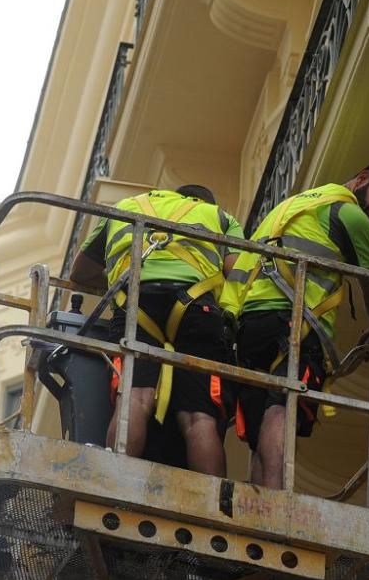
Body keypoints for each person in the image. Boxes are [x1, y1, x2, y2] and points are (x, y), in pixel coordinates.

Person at [221, 161, 369, 488]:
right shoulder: (349, 214)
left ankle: (256, 505)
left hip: (250, 323)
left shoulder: (293, 205)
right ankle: (277, 502)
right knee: (283, 408)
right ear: (362, 179)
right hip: (293, 327)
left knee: (259, 430)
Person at [71, 184, 242, 477]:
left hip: (136, 301)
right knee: (199, 416)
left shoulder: (124, 208)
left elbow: (80, 272)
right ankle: (210, 505)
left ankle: (113, 483)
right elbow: (238, 273)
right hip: (196, 306)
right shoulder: (219, 216)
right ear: (198, 201)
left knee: (134, 399)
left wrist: (121, 276)